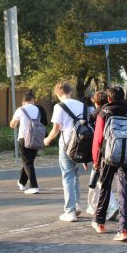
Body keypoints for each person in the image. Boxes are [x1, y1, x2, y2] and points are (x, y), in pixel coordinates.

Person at [90, 87, 127, 241]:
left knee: (105, 188)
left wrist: (96, 160)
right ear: (123, 97)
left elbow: (98, 139)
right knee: (124, 192)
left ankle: (100, 223)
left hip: (107, 156)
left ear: (108, 99)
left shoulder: (104, 113)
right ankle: (123, 230)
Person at [44, 82, 86, 222]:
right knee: (75, 175)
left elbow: (56, 129)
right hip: (81, 145)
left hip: (67, 145)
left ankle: (70, 211)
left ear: (58, 93)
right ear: (70, 91)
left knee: (68, 177)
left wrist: (47, 140)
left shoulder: (59, 106)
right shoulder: (81, 105)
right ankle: (77, 205)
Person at [86, 91, 120, 220]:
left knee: (100, 181)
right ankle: (94, 205)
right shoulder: (113, 112)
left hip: (100, 152)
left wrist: (92, 157)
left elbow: (94, 138)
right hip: (114, 150)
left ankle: (111, 205)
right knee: (98, 180)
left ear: (95, 103)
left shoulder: (95, 115)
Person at [10, 90, 42, 195]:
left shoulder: (20, 109)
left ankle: (34, 186)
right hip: (36, 138)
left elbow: (12, 125)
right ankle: (22, 182)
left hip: (24, 138)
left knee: (27, 162)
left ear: (23, 101)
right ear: (32, 100)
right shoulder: (38, 109)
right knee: (29, 162)